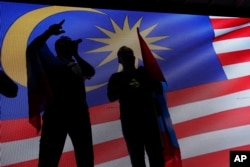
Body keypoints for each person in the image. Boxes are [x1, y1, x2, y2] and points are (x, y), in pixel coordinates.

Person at [26, 20, 95, 167]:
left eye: (70, 43)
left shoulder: (76, 66)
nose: (69, 45)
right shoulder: (51, 64)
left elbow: (90, 72)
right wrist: (49, 32)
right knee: (48, 160)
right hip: (56, 117)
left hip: (79, 116)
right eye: (65, 43)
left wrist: (76, 53)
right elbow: (34, 47)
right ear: (58, 48)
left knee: (85, 158)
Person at [107, 46, 165, 167]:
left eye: (130, 54)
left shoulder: (144, 72)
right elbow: (111, 96)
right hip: (131, 123)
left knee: (157, 157)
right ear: (119, 60)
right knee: (137, 158)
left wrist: (149, 74)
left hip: (149, 121)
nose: (128, 56)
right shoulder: (116, 78)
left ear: (134, 57)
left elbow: (159, 88)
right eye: (124, 55)